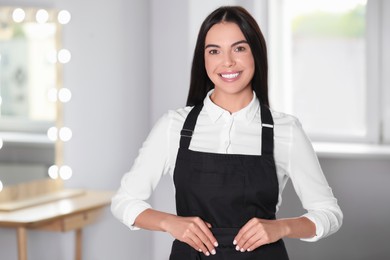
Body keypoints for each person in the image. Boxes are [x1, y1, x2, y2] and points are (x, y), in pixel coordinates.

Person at [111, 6, 343, 259]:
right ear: (204, 59)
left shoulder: (286, 130)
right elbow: (124, 201)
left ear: (256, 53)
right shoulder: (173, 126)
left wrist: (281, 227)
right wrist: (170, 222)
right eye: (214, 51)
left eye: (239, 48)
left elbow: (329, 213)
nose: (227, 61)